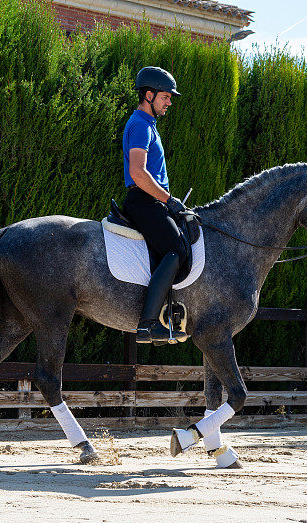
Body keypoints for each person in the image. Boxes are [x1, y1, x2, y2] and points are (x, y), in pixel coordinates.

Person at [122, 66, 189, 344]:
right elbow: (138, 173)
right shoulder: (140, 125)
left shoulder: (149, 126)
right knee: (176, 249)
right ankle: (147, 325)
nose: (169, 102)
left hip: (152, 201)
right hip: (144, 201)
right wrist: (168, 200)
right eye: (165, 96)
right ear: (149, 95)